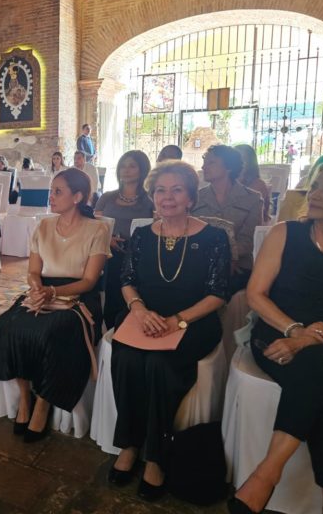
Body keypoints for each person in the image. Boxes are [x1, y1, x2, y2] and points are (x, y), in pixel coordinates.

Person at [109, 161, 230, 501]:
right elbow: (127, 280)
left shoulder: (214, 238)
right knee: (127, 359)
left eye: (177, 190)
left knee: (159, 366)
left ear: (190, 197)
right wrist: (139, 309)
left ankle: (156, 455)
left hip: (193, 321)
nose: (167, 197)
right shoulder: (143, 235)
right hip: (144, 317)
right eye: (161, 190)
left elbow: (217, 293)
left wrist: (178, 320)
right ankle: (130, 444)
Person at [229, 163, 323, 514]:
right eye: (315, 186)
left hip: (317, 345)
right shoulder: (286, 233)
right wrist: (295, 331)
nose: (315, 195)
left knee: (319, 365)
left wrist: (304, 342)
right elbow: (256, 294)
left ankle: (266, 473)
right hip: (273, 335)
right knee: (321, 367)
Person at [0, 168, 110, 442]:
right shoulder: (43, 226)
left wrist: (53, 291)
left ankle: (43, 402)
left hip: (78, 296)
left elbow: (89, 281)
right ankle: (24, 398)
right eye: (51, 191)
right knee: (6, 326)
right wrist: (38, 289)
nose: (51, 197)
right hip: (44, 290)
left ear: (77, 196)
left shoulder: (97, 229)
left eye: (58, 191)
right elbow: (33, 271)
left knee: (54, 331)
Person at [95, 150, 154, 329]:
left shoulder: (150, 200)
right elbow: (95, 227)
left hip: (141, 255)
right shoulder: (107, 198)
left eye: (132, 166)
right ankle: (112, 326)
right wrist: (108, 239)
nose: (125, 170)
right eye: (123, 166)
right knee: (113, 290)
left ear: (142, 170)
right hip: (111, 252)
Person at [192, 145, 263, 293]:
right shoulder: (195, 198)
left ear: (229, 167)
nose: (204, 166)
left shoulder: (252, 199)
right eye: (205, 161)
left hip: (238, 267)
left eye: (211, 162)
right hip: (200, 263)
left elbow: (247, 241)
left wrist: (226, 259)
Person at [235, 144, 271, 223]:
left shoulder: (258, 185)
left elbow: (242, 212)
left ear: (250, 162)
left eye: (241, 159)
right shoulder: (229, 181)